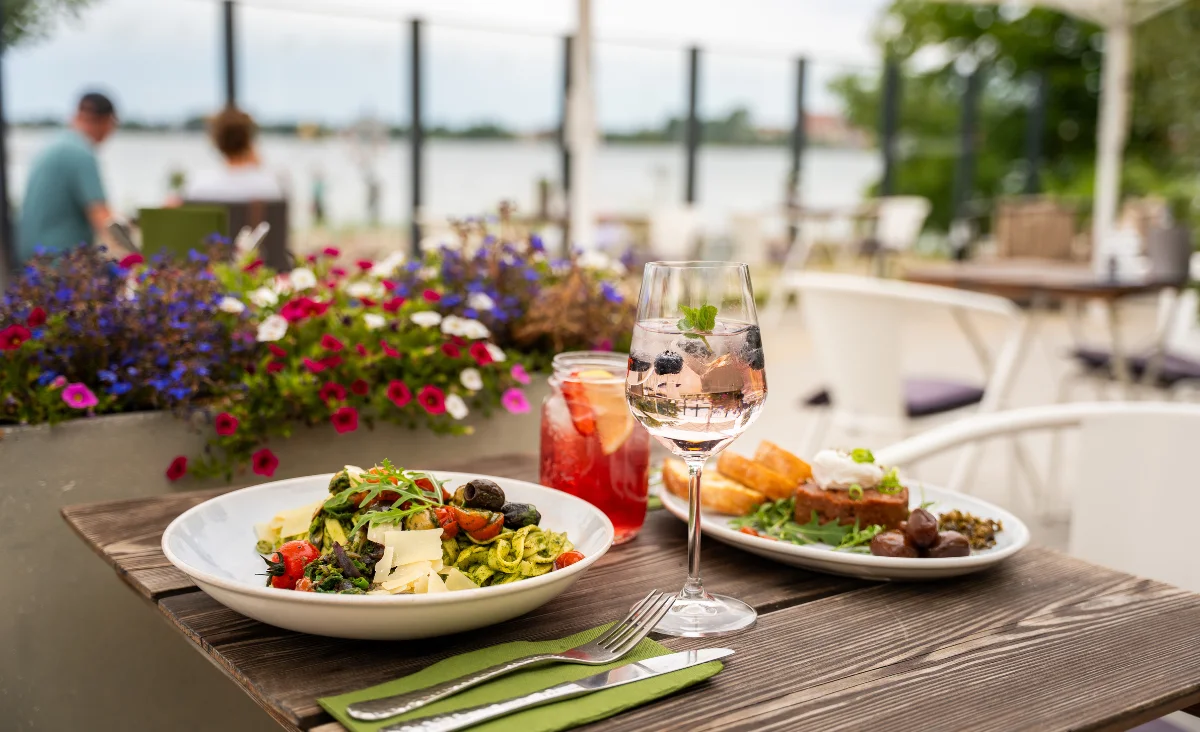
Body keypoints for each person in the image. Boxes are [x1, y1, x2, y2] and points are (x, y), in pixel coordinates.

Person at [17, 92, 123, 262]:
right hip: (58, 262)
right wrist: (137, 256)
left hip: (28, 258)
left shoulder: (54, 144)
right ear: (107, 121)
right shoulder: (80, 153)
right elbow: (103, 218)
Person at [184, 107, 284, 202]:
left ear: (217, 142)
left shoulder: (199, 185)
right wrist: (258, 168)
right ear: (250, 141)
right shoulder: (269, 187)